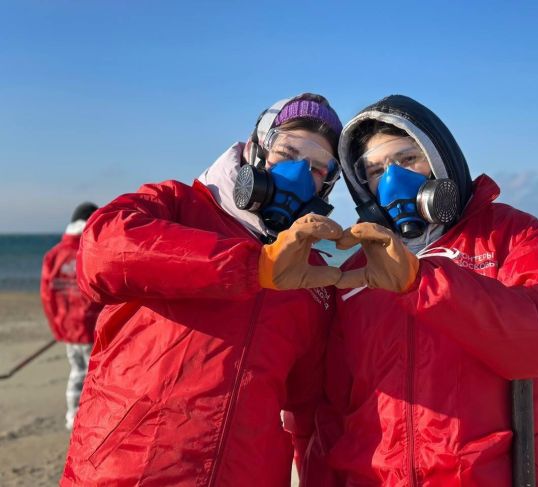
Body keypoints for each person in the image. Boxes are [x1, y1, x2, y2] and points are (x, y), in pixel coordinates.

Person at [61, 93, 344, 486]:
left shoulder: (311, 278)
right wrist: (253, 266)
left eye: (317, 167)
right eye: (289, 151)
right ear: (256, 149)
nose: (299, 173)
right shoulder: (178, 205)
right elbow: (99, 253)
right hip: (129, 470)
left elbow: (309, 419)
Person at [303, 95, 538, 486]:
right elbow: (331, 413)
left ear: (440, 158)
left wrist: (420, 281)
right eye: (376, 170)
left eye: (407, 158)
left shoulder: (514, 236)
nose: (393, 178)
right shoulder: (356, 274)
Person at [41, 202, 102, 431]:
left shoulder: (53, 255)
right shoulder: (91, 251)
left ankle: (72, 418)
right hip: (91, 327)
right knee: (93, 376)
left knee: (77, 372)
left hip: (68, 328)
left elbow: (47, 295)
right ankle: (86, 421)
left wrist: (57, 326)